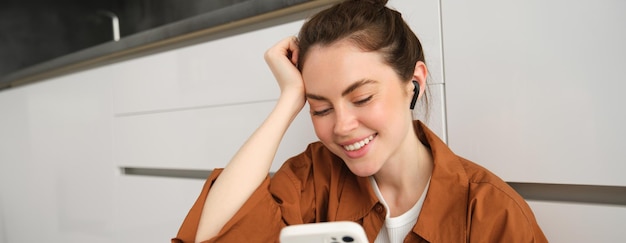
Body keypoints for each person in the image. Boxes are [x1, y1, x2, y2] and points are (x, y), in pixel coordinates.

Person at [172, 0, 548, 242]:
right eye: (320, 108)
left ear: (413, 83)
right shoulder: (313, 179)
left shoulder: (491, 213)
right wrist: (289, 99)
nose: (342, 126)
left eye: (362, 98)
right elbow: (211, 235)